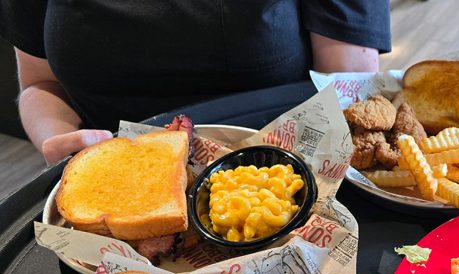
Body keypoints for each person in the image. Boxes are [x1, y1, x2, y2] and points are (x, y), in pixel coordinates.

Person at [0, 1, 390, 165]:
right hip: (114, 194)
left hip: (286, 180)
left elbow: (348, 98)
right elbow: (40, 85)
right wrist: (58, 139)